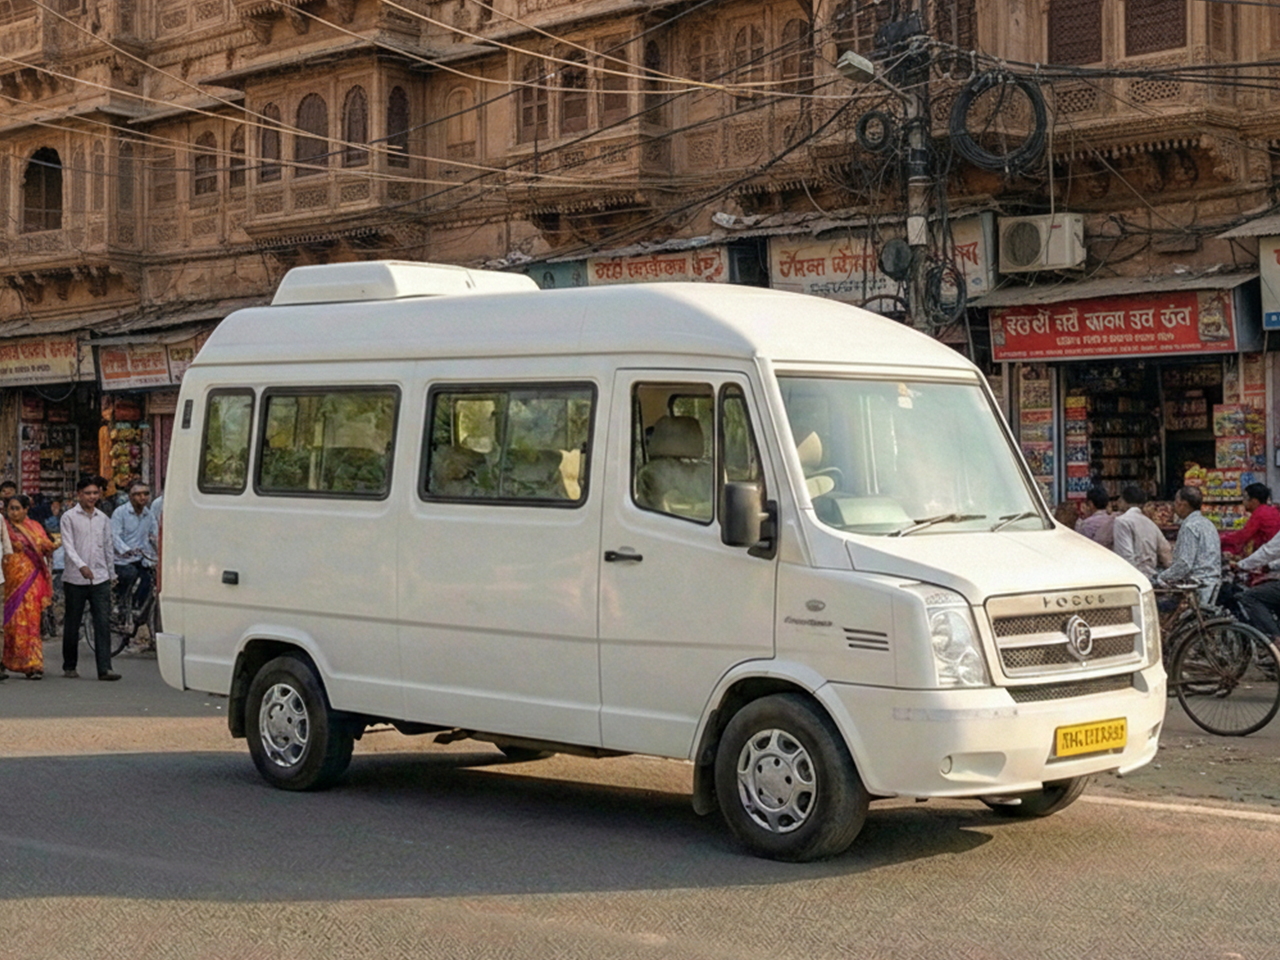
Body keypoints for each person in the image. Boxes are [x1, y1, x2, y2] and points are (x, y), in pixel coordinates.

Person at [60, 476, 120, 681]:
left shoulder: (103, 518)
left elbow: (108, 547)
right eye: (88, 493)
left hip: (100, 578)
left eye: (95, 493)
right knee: (72, 622)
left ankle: (105, 668)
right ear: (79, 495)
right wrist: (81, 565)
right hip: (75, 579)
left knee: (102, 623)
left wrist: (111, 574)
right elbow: (68, 546)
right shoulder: (68, 517)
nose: (92, 497)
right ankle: (69, 665)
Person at [1, 495, 54, 680]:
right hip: (10, 578)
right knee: (10, 622)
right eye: (11, 509)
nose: (13, 512)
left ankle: (33, 664)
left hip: (32, 578)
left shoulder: (36, 527)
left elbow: (47, 544)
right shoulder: (4, 526)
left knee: (31, 621)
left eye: (17, 508)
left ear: (26, 510)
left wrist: (48, 544)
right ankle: (6, 661)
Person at [1153, 486, 1221, 605]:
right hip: (1212, 583)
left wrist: (1162, 577)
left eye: (1176, 502)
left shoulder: (1190, 526)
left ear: (1183, 504)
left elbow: (1184, 564)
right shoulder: (1208, 524)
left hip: (1196, 587)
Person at [111, 480, 158, 613]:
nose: (142, 497)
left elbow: (154, 536)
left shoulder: (148, 515)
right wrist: (126, 550)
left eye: (146, 494)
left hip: (141, 558)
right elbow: (114, 536)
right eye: (138, 494)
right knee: (130, 575)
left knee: (149, 579)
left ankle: (137, 607)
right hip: (122, 560)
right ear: (130, 496)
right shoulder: (120, 513)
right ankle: (120, 603)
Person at [1112, 485, 1168, 581]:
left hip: (1133, 577)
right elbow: (1165, 552)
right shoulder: (1150, 523)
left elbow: (1125, 555)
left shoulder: (1122, 521)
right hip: (1151, 576)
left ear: (1123, 501)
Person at [1220, 482, 1280, 561]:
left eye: (1245, 498)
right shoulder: (1271, 510)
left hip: (1270, 557)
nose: (1243, 501)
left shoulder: (1260, 513)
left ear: (1254, 501)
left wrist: (1220, 538)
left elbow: (1242, 536)